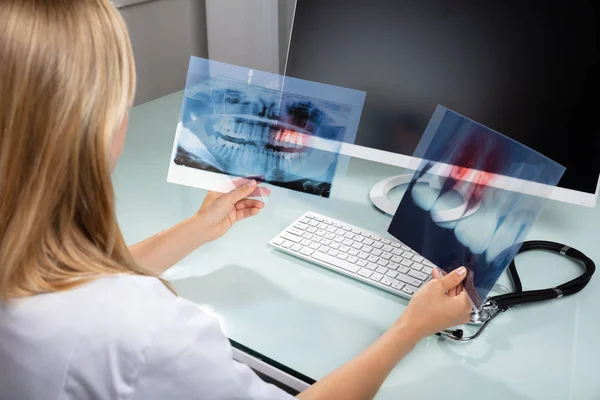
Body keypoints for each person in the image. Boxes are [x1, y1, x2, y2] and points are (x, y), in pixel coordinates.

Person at [0, 1, 472, 399]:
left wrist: (197, 229)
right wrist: (412, 326)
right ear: (94, 126)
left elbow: (70, 282)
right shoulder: (148, 330)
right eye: (123, 98)